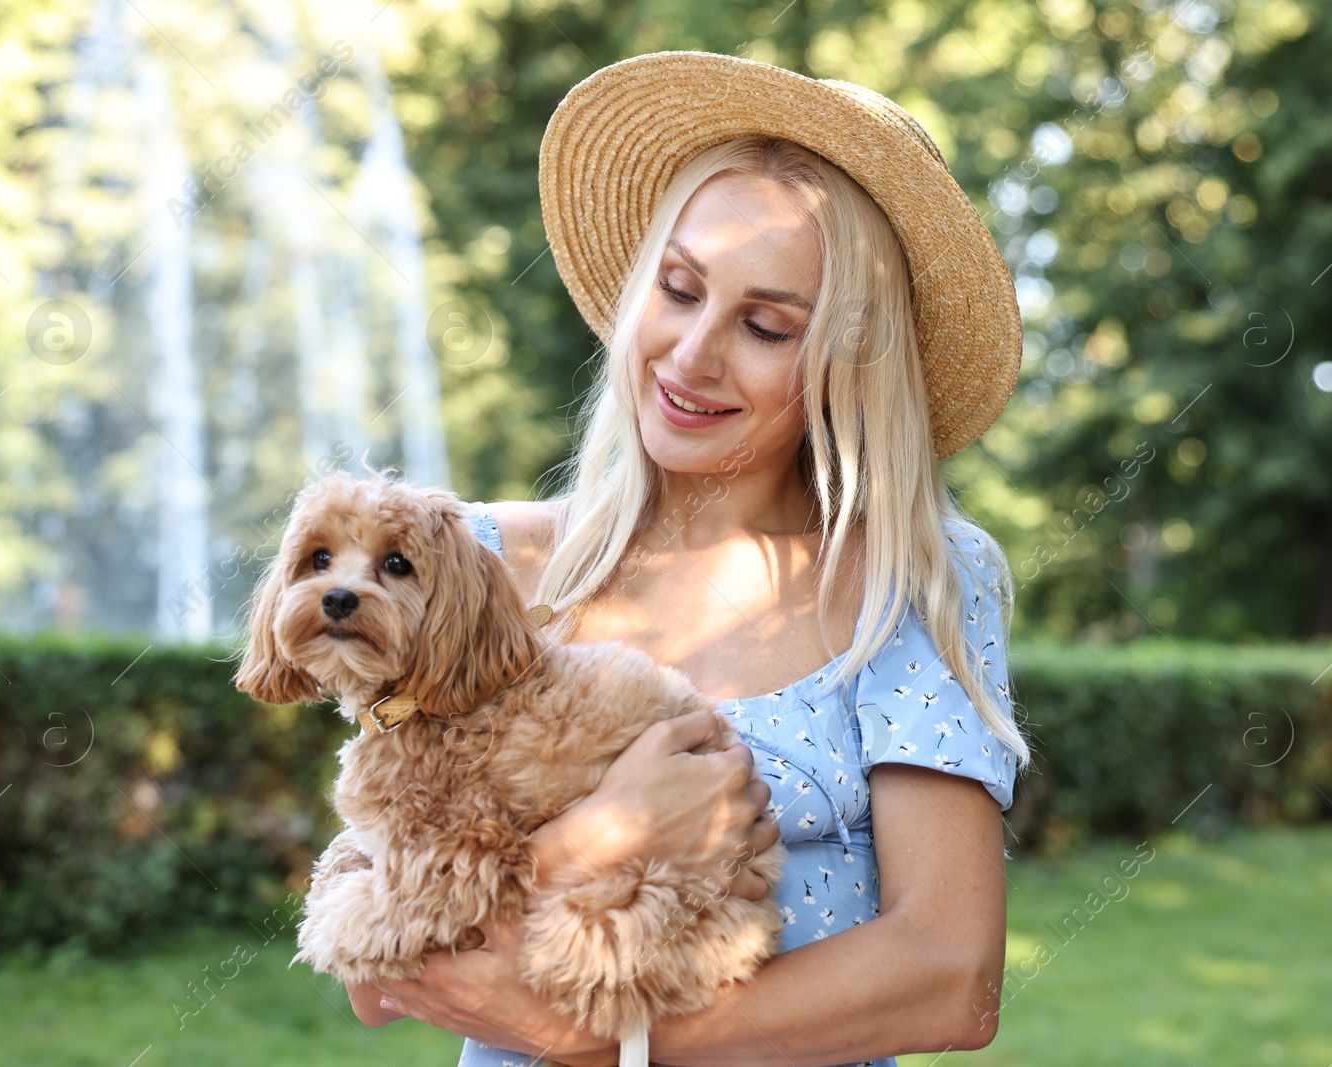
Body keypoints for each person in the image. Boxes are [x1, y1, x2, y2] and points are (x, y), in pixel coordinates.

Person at [345, 50, 1031, 1066]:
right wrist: (593, 838)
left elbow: (950, 972)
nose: (692, 352)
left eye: (763, 324)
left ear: (846, 365)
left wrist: (589, 1033)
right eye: (678, 288)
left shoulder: (908, 582)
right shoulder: (476, 563)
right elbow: (374, 959)